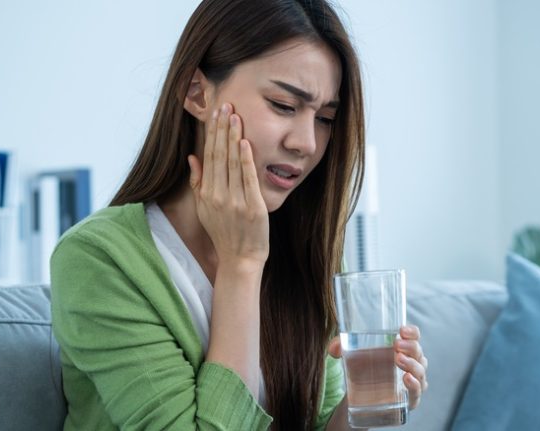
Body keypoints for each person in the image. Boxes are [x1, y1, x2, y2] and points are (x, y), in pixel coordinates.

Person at [50, 0, 428, 429]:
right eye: (284, 105)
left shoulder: (310, 250)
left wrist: (364, 407)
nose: (307, 142)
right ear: (197, 92)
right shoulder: (98, 260)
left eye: (324, 118)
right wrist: (241, 265)